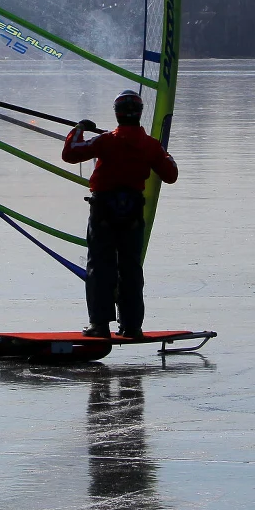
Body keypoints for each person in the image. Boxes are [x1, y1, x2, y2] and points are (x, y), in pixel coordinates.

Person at [61, 90, 178, 339]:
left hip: (103, 209)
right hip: (132, 211)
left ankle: (99, 325)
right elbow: (171, 174)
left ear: (117, 113)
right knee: (130, 268)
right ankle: (131, 326)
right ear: (140, 113)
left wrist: (79, 127)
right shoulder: (150, 145)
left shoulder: (105, 141)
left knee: (100, 266)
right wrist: (163, 154)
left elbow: (70, 152)